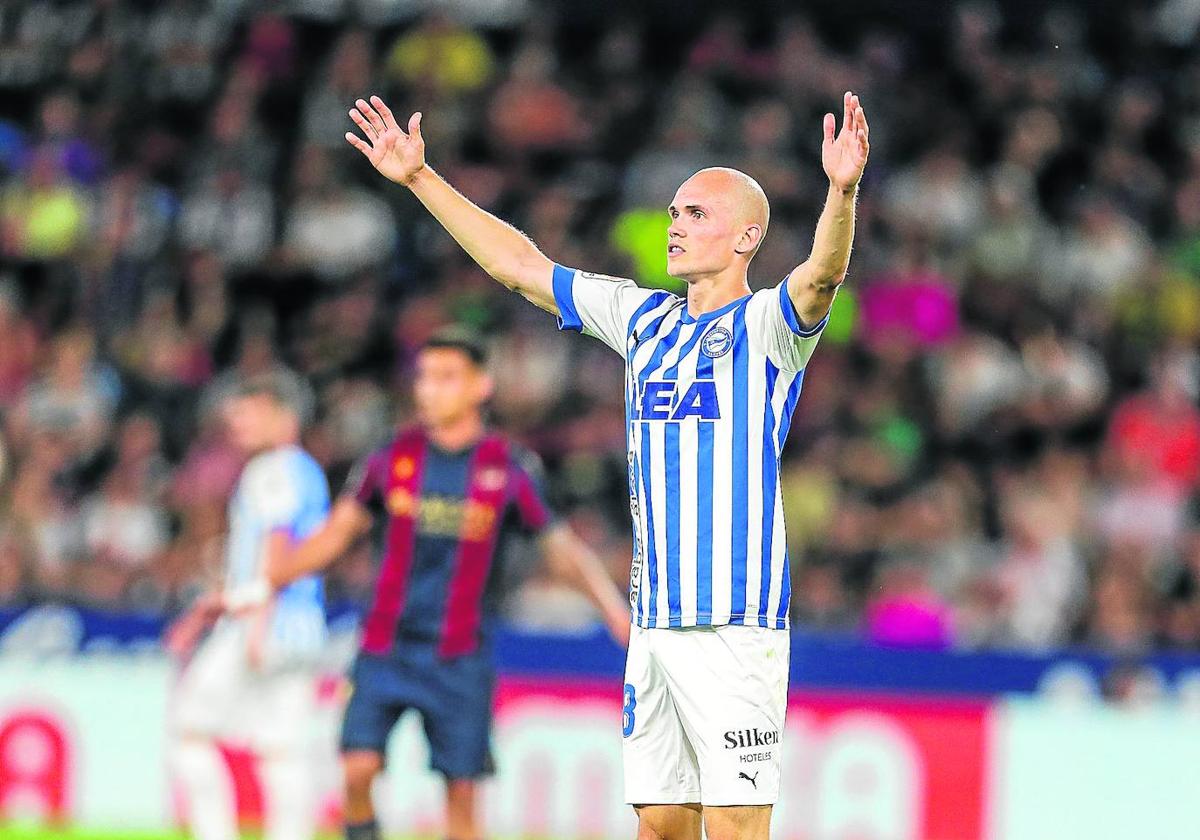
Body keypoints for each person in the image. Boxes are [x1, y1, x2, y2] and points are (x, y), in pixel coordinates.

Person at [341, 88, 869, 840]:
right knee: (658, 822)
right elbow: (520, 266)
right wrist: (423, 179)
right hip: (654, 622)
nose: (674, 226)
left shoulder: (769, 328)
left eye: (696, 214)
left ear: (747, 237)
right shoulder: (643, 317)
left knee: (737, 826)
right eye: (674, 212)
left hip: (734, 626)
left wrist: (841, 192)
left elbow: (822, 274)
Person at [266, 329, 632, 840]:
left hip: (460, 657)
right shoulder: (390, 458)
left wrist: (614, 611)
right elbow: (336, 536)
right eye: (424, 378)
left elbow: (562, 549)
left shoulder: (507, 468)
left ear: (480, 386)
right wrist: (269, 579)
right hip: (384, 647)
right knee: (357, 771)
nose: (428, 390)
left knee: (461, 796)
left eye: (445, 378)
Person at [166, 371, 330, 840]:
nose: (236, 422)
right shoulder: (307, 470)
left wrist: (257, 625)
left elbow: (274, 552)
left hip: (264, 622)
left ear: (284, 415)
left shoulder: (271, 470)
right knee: (282, 748)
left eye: (249, 411)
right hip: (302, 627)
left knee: (190, 729)